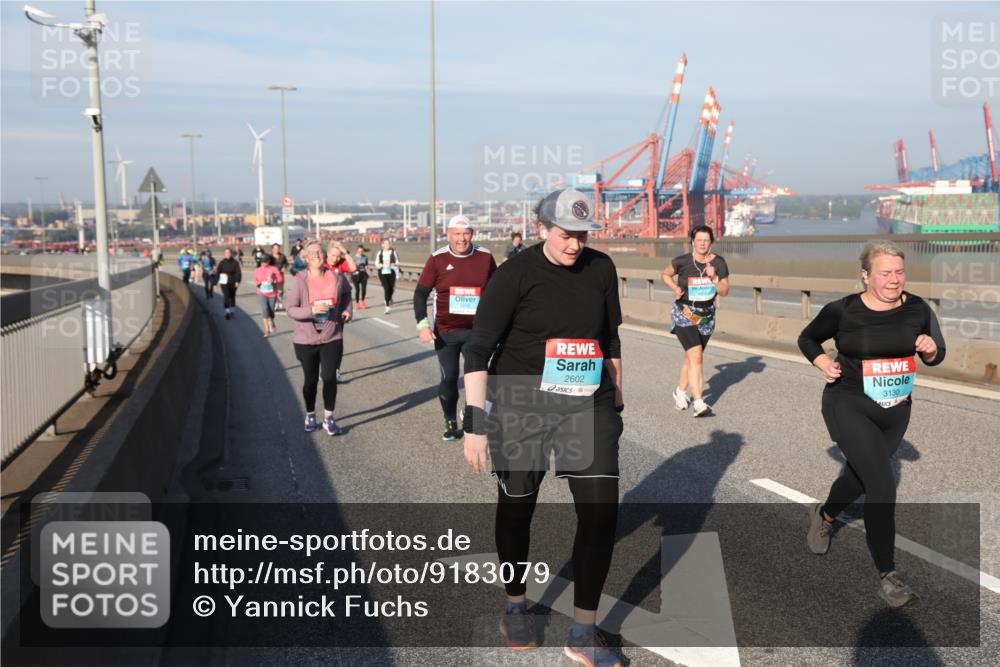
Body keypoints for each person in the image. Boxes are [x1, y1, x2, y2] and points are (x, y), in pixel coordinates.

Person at [463, 188, 625, 664]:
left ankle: (583, 630)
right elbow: (478, 350)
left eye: (581, 235)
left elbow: (610, 335)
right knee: (518, 506)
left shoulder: (601, 269)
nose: (575, 244)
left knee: (601, 511)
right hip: (521, 405)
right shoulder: (515, 274)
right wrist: (475, 424)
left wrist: (616, 392)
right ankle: (516, 603)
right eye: (565, 235)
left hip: (586, 403)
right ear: (541, 229)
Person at [799, 240, 945, 608]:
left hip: (895, 408)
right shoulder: (843, 310)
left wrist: (929, 349)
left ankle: (826, 513)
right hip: (847, 401)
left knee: (859, 477)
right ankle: (888, 574)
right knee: (881, 481)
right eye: (885, 273)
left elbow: (938, 352)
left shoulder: (917, 308)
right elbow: (808, 338)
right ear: (865, 276)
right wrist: (821, 362)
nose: (895, 279)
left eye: (899, 271)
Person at [414, 215, 496, 441]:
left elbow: (497, 292)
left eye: (466, 233)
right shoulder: (438, 259)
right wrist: (422, 325)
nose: (462, 239)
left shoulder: (485, 257)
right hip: (446, 332)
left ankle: (472, 418)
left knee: (478, 378)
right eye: (457, 234)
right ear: (448, 234)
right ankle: (450, 420)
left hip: (476, 332)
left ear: (473, 233)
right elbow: (420, 293)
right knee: (449, 378)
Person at [660, 224, 730, 417]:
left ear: (711, 242)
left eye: (706, 240)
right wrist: (674, 288)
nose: (702, 244)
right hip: (684, 313)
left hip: (707, 316)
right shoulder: (681, 261)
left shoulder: (720, 263)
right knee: (697, 357)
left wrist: (714, 277)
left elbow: (725, 291)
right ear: (692, 241)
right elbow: (665, 274)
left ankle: (679, 392)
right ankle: (699, 402)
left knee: (690, 357)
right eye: (699, 240)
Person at [285, 240, 353, 436]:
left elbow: (347, 295)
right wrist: (311, 310)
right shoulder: (300, 280)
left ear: (324, 256)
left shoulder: (337, 277)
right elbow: (290, 309)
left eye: (319, 252)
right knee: (311, 381)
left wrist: (347, 310)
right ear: (305, 257)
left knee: (330, 377)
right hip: (305, 339)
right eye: (312, 252)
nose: (316, 254)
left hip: (332, 335)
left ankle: (329, 418)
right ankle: (310, 413)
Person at [254, 254, 282, 337]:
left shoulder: (273, 269)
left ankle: (271, 322)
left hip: (272, 293)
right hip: (261, 293)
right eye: (262, 261)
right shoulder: (258, 270)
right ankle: (266, 330)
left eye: (264, 261)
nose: (263, 263)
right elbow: (255, 280)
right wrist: (260, 284)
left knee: (271, 310)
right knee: (265, 309)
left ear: (269, 261)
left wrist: (273, 280)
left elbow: (279, 279)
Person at [215, 248, 242, 320]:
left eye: (228, 253)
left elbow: (238, 273)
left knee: (232, 296)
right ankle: (227, 312)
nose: (227, 254)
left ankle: (232, 311)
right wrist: (215, 283)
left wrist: (237, 281)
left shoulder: (235, 262)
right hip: (224, 282)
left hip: (233, 281)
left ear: (231, 254)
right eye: (226, 253)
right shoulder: (222, 262)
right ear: (224, 254)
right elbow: (218, 272)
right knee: (226, 296)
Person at [374, 238, 399, 313]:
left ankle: (389, 298)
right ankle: (387, 306)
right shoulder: (380, 252)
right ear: (383, 245)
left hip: (391, 271)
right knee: (387, 288)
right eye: (386, 243)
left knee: (391, 288)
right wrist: (379, 265)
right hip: (382, 272)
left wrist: (394, 264)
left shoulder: (393, 252)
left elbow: (397, 261)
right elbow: (376, 263)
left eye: (388, 243)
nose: (387, 245)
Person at [270, 243, 290, 311]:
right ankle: (275, 303)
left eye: (278, 248)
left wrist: (284, 267)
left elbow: (286, 263)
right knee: (274, 290)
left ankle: (280, 300)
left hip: (280, 275)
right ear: (272, 249)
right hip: (272, 276)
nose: (276, 250)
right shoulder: (269, 257)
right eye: (275, 248)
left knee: (280, 291)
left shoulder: (282, 256)